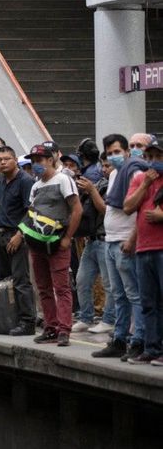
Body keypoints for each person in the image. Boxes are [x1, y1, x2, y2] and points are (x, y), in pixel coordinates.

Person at [92, 134, 149, 360]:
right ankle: (119, 339)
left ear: (126, 152)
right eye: (109, 153)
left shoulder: (135, 172)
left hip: (125, 241)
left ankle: (139, 340)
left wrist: (132, 240)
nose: (113, 156)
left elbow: (141, 210)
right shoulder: (116, 174)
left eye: (117, 151)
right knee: (118, 295)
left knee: (134, 294)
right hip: (110, 240)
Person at [23, 144, 82, 347]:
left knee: (61, 287)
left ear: (50, 160)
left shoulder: (63, 180)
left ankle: (64, 330)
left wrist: (67, 237)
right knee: (43, 288)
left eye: (39, 160)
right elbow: (31, 213)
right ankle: (51, 328)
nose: (36, 164)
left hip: (58, 243)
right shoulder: (35, 186)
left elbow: (76, 209)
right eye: (33, 161)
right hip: (37, 244)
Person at [0, 146, 36, 335]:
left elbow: (31, 211)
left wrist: (20, 235)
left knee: (20, 281)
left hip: (17, 234)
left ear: (15, 160)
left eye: (7, 159)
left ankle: (27, 322)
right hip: (0, 234)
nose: (3, 162)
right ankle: (2, 318)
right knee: (2, 280)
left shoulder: (25, 181)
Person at [122, 138, 163, 365]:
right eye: (149, 157)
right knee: (148, 303)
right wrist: (146, 184)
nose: (153, 162)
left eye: (158, 157)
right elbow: (128, 207)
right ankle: (152, 348)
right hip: (144, 248)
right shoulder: (140, 179)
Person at [72, 144, 114, 334]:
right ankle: (86, 317)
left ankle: (109, 319)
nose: (104, 169)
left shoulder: (116, 184)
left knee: (108, 283)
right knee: (82, 280)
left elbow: (105, 210)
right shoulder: (100, 183)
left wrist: (92, 190)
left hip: (106, 239)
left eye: (108, 166)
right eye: (103, 165)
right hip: (91, 239)